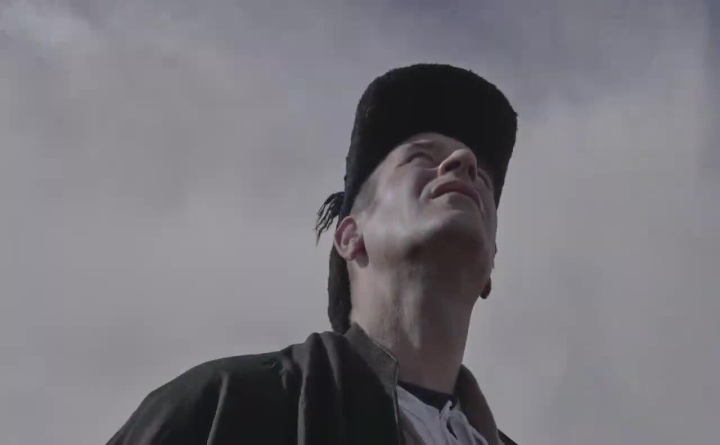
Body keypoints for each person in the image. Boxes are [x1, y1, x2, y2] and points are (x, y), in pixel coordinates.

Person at [107, 63, 519, 445]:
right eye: (422, 157)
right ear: (350, 236)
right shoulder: (221, 407)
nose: (465, 162)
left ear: (490, 269)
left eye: (481, 178)